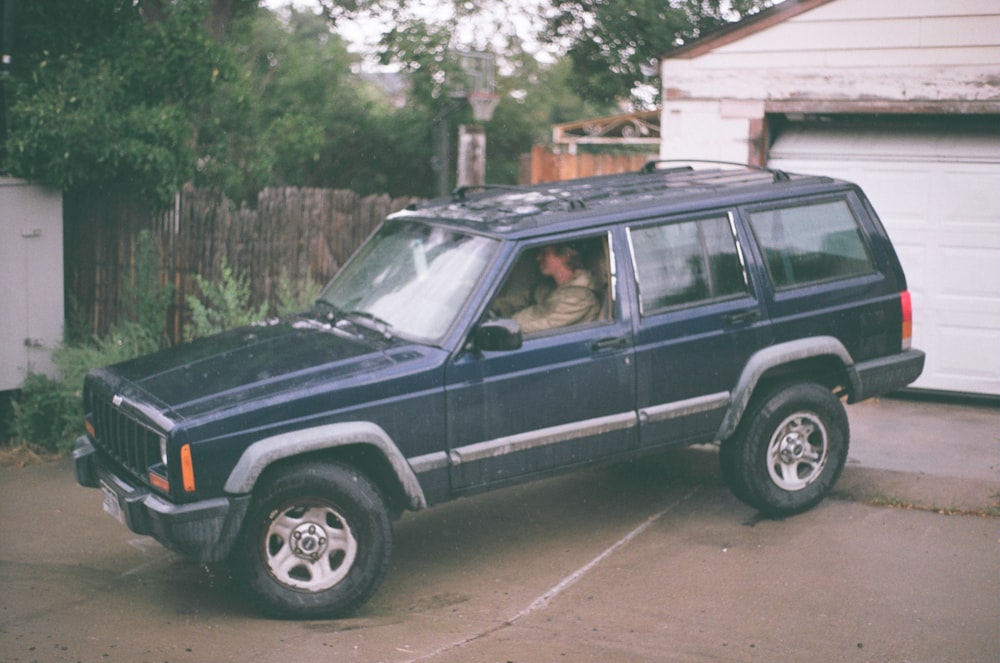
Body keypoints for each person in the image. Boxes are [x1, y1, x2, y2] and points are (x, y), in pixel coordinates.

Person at [499, 243, 601, 334]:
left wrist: (504, 328)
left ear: (566, 255)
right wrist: (494, 307)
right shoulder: (549, 287)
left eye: (544, 253)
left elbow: (543, 326)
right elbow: (518, 301)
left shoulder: (581, 298)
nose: (538, 258)